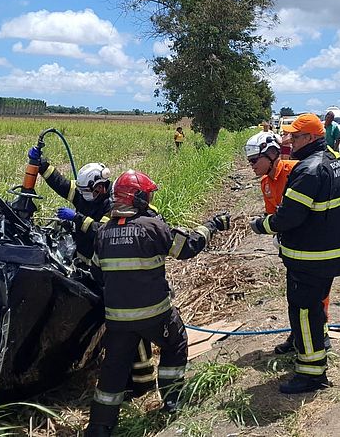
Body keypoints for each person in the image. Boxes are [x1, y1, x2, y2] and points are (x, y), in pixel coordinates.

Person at [85, 169, 231, 436]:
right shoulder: (153, 228)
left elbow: (96, 273)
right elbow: (188, 247)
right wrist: (211, 225)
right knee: (175, 344)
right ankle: (173, 401)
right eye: (148, 196)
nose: (151, 200)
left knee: (114, 369)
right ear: (138, 198)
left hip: (117, 321)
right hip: (156, 316)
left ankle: (99, 427)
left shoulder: (103, 234)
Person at [27, 147, 159, 399]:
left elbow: (107, 232)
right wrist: (42, 165)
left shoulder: (114, 206)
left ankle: (141, 384)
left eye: (89, 192)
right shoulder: (85, 196)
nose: (83, 196)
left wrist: (78, 220)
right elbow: (63, 185)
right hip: (85, 266)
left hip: (109, 272)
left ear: (100, 187)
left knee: (120, 324)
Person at [249, 113, 340, 394]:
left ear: (311, 137)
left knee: (304, 312)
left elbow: (289, 217)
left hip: (310, 255)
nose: (289, 141)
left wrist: (261, 225)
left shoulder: (308, 169)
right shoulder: (337, 161)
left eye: (295, 136)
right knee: (315, 309)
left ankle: (310, 374)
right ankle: (313, 357)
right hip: (330, 251)